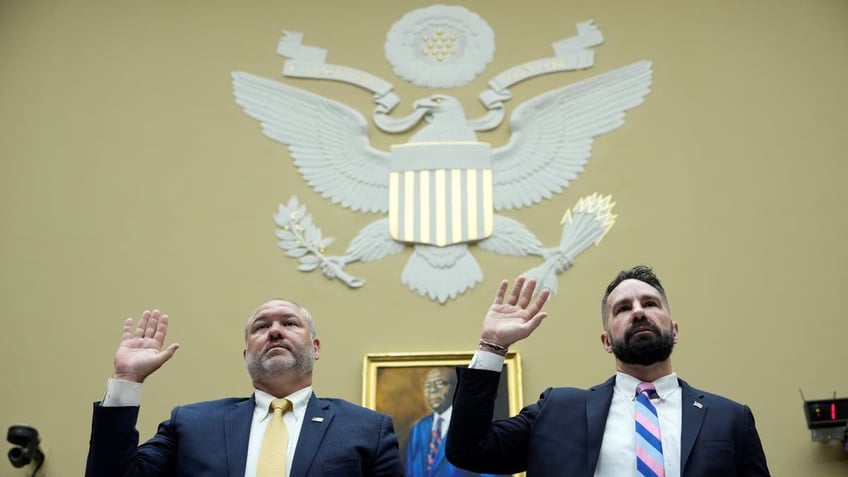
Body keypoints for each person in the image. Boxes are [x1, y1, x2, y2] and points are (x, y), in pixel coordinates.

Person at [446, 267, 771, 477]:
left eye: (650, 303)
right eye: (624, 308)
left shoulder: (730, 419)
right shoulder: (558, 411)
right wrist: (491, 346)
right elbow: (469, 449)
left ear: (674, 330)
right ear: (606, 341)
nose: (639, 311)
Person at [85, 299, 405, 477]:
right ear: (247, 354)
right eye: (261, 327)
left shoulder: (366, 429)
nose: (275, 332)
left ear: (316, 348)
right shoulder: (192, 425)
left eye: (289, 323)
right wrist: (127, 380)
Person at [405, 367, 500, 477]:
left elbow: (489, 472)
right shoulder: (419, 428)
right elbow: (410, 470)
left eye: (439, 383)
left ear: (456, 388)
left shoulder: (474, 423)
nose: (432, 390)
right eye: (427, 386)